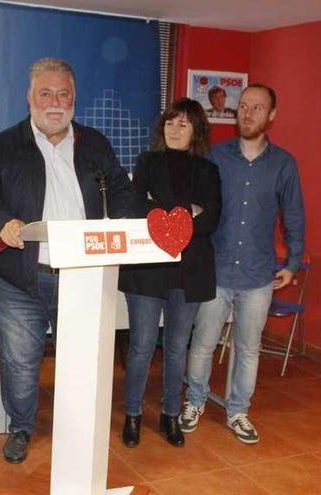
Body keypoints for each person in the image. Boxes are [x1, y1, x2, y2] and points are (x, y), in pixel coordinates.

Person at [0, 57, 138, 464]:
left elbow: (120, 190)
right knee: (20, 361)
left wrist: (132, 222)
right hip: (19, 277)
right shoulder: (2, 146)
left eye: (64, 94)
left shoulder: (95, 144)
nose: (55, 102)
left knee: (80, 360)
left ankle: (74, 428)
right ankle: (21, 428)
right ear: (29, 98)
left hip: (82, 275)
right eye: (46, 93)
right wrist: (0, 222)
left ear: (74, 98)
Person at [181, 83, 305, 444]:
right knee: (203, 343)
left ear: (271, 116)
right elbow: (193, 204)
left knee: (248, 348)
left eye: (257, 108)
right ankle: (195, 402)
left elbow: (294, 216)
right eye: (244, 106)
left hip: (257, 275)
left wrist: (292, 262)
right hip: (216, 270)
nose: (247, 113)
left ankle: (238, 411)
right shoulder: (215, 157)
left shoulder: (284, 164)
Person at [118, 98, 221, 448]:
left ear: (196, 131)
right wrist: (185, 211)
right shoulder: (147, 161)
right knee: (141, 346)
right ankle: (132, 414)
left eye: (184, 124)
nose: (175, 130)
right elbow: (135, 206)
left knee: (177, 348)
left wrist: (160, 206)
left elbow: (211, 219)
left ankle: (170, 415)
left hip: (189, 272)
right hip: (147, 270)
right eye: (170, 123)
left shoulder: (209, 171)